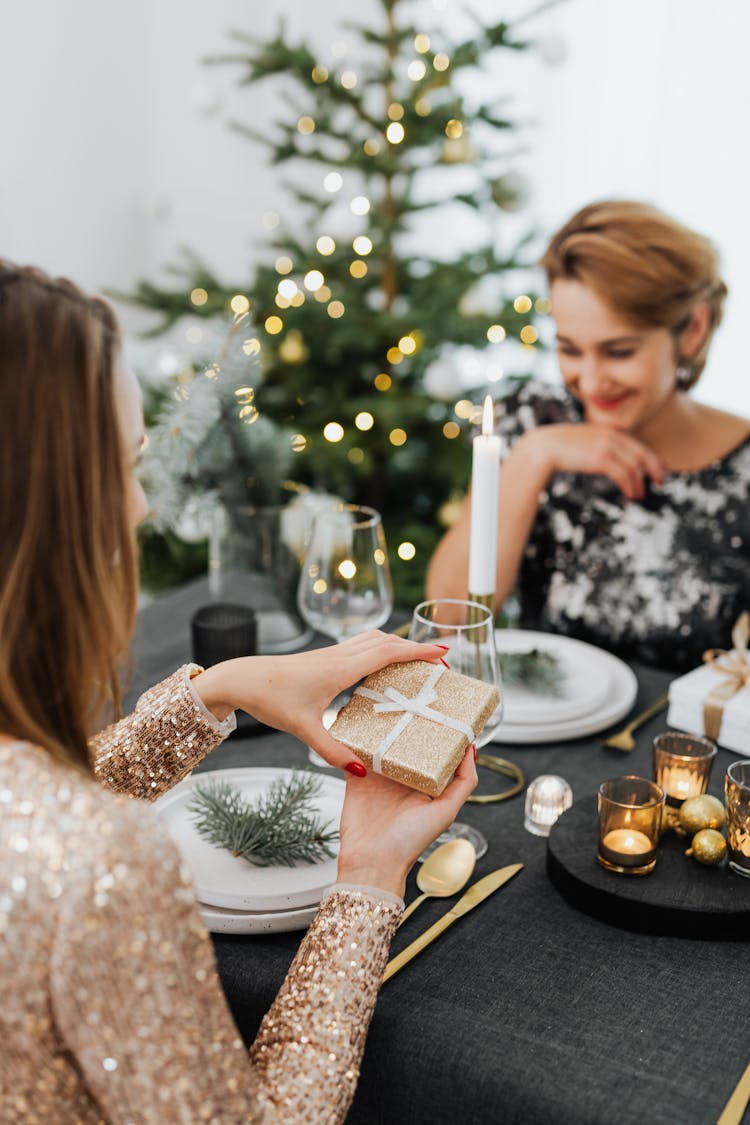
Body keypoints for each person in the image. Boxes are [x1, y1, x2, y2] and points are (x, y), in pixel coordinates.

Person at [0, 262, 477, 1123]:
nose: (140, 507)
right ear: (49, 513)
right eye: (126, 464)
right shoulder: (104, 869)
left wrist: (220, 690)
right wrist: (367, 880)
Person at [427, 200, 750, 671]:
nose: (592, 382)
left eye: (619, 352)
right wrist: (534, 457)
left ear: (693, 330)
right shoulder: (530, 423)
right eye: (570, 350)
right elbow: (450, 619)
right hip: (542, 737)